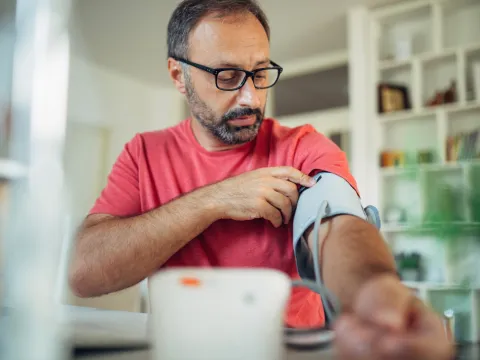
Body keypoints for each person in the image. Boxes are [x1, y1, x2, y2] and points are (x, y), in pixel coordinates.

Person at [69, 1, 453, 359]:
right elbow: (83, 272)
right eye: (228, 75)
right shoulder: (144, 154)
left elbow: (338, 226)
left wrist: (374, 290)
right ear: (179, 76)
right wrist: (214, 200)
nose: (251, 97)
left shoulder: (304, 146)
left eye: (260, 72)